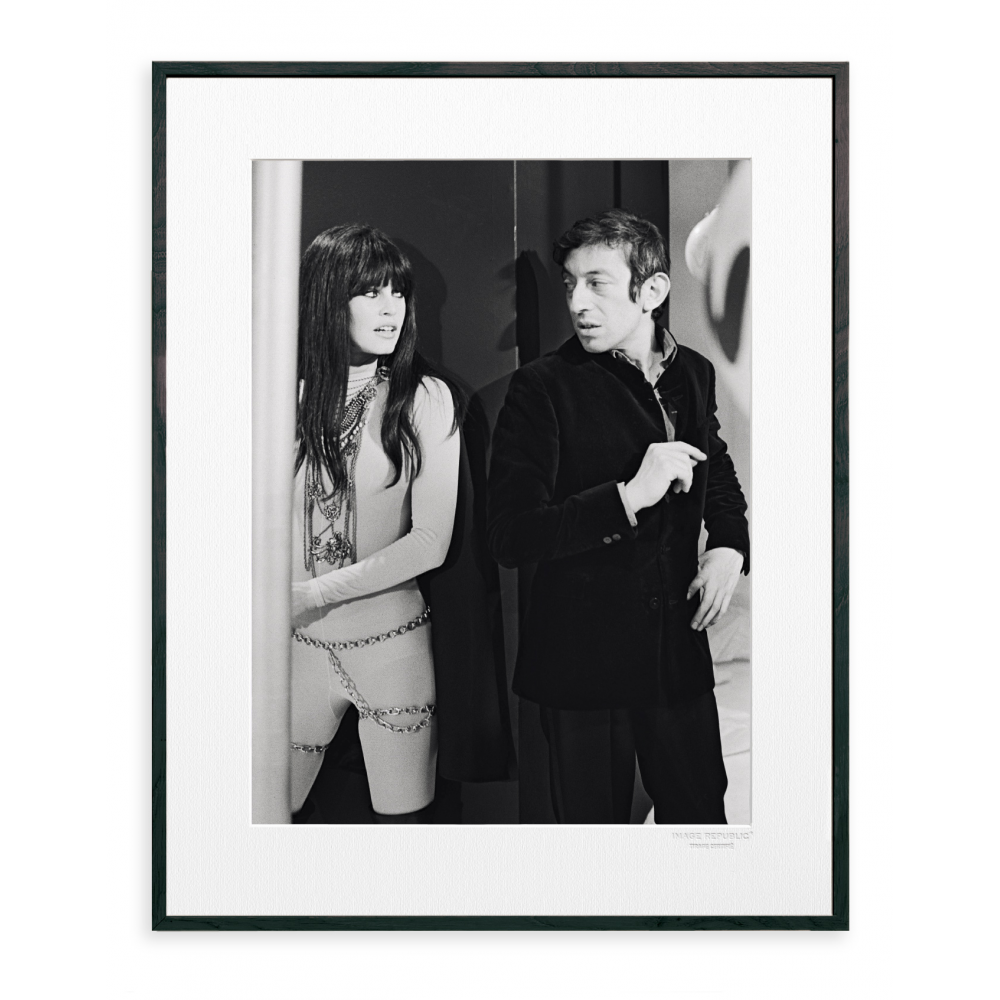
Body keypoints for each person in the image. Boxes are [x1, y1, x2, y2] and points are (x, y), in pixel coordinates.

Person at [487, 209, 750, 824]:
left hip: (676, 656)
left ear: (651, 290)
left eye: (597, 283)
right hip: (583, 669)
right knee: (595, 850)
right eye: (570, 284)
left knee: (702, 829)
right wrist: (628, 497)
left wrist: (729, 547)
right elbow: (511, 536)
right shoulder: (541, 388)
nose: (577, 302)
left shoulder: (694, 373)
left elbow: (718, 473)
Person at [289, 223, 463, 822]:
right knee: (266, 822)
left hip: (391, 647)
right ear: (326, 297)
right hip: (297, 648)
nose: (392, 309)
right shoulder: (282, 398)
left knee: (402, 833)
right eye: (370, 292)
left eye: (399, 292)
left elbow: (431, 541)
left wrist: (310, 593)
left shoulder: (425, 399)